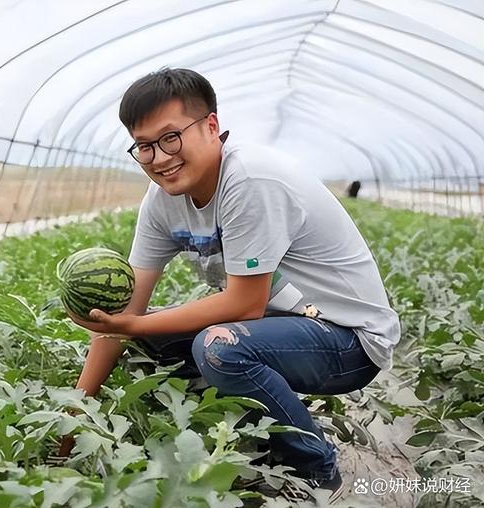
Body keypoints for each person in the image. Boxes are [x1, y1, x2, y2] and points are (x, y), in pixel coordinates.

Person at [62, 68, 401, 503]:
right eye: (144, 147)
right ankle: (254, 432)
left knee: (219, 347)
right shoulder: (161, 203)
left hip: (348, 339)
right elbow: (122, 318)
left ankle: (319, 465)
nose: (159, 158)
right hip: (283, 327)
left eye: (170, 138)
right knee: (155, 341)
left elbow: (244, 305)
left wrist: (133, 325)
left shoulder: (250, 179)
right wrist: (71, 421)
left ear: (211, 126)